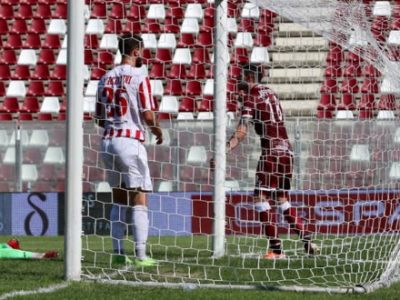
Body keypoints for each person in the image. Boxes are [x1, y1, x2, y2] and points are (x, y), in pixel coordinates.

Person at [221, 64, 318, 259]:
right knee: (281, 199)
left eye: (241, 76)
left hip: (271, 152)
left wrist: (224, 149)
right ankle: (305, 237)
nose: (238, 80)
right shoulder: (272, 93)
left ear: (249, 77)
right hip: (287, 152)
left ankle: (276, 249)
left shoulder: (252, 96)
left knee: (260, 198)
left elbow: (242, 131)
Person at [95, 34, 163, 267]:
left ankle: (117, 252)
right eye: (142, 50)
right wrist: (158, 131)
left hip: (108, 142)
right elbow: (147, 114)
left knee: (118, 200)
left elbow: (99, 118)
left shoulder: (104, 78)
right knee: (139, 199)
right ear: (136, 51)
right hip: (130, 141)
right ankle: (141, 255)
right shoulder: (139, 76)